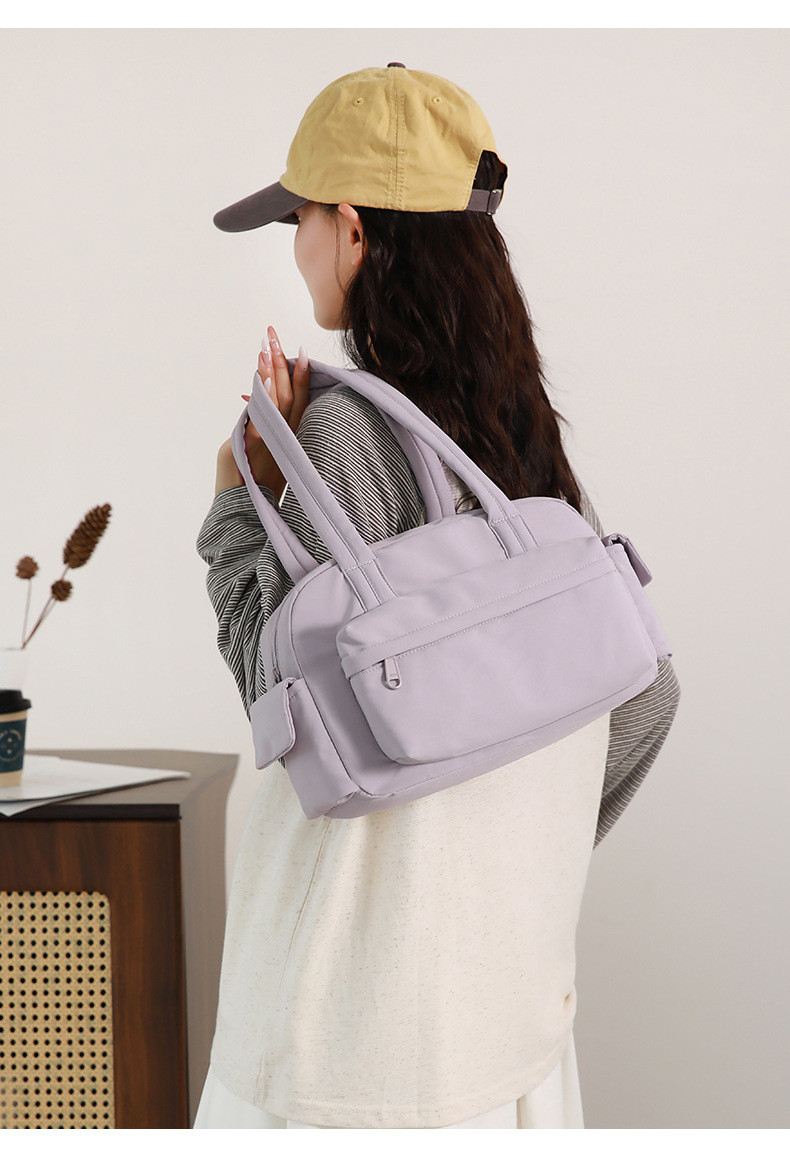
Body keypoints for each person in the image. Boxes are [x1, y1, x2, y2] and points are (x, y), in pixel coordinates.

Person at [194, 64, 680, 1130]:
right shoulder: (521, 433)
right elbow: (644, 698)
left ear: (351, 228)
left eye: (298, 218)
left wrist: (241, 499)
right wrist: (512, 845)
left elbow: (277, 705)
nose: (296, 247)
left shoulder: (342, 431)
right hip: (512, 1023)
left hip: (351, 1035)